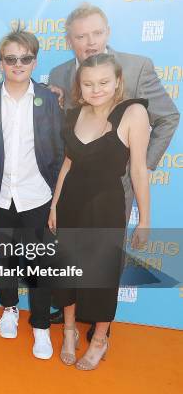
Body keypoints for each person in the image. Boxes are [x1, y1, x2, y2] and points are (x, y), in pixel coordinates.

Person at [48, 3, 179, 336]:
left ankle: (99, 326)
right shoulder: (60, 74)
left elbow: (168, 117)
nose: (89, 41)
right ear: (69, 40)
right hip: (74, 186)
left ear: (107, 32)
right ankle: (72, 318)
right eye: (81, 36)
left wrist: (139, 165)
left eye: (96, 33)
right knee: (70, 256)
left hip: (113, 187)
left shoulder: (136, 68)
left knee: (105, 262)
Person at [49, 53, 150, 370]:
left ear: (118, 80)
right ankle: (68, 332)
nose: (96, 89)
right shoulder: (74, 114)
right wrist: (54, 204)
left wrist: (145, 220)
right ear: (80, 85)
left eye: (104, 82)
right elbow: (68, 164)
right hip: (70, 204)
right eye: (88, 83)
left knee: (102, 277)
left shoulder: (132, 113)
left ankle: (99, 339)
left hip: (105, 207)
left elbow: (138, 171)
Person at [0, 29, 64, 359]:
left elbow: (57, 151)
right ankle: (9, 309)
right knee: (8, 258)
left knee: (40, 264)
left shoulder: (48, 99)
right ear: (0, 63)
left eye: (25, 58)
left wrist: (56, 198)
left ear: (35, 61)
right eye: (11, 58)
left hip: (38, 196)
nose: (18, 64)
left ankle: (41, 327)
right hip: (1, 196)